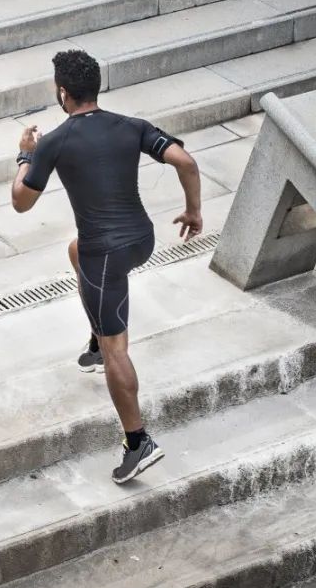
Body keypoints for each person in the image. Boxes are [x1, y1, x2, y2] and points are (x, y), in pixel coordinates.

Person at [11, 49, 203, 484]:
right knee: (75, 251)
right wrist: (194, 212)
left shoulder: (54, 142)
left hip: (107, 256)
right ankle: (99, 342)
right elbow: (186, 161)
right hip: (141, 239)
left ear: (63, 93)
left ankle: (138, 442)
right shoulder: (131, 126)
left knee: (119, 347)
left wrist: (24, 156)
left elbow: (21, 202)